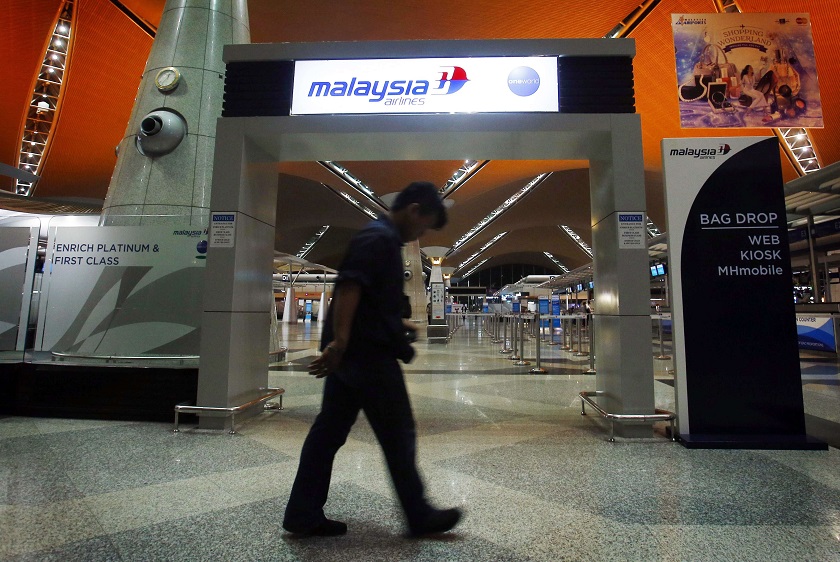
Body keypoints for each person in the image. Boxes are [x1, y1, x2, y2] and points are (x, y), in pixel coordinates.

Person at [283, 181, 462, 538]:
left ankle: (302, 512)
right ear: (414, 211)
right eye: (424, 225)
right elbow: (350, 287)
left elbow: (367, 299)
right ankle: (418, 515)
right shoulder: (377, 239)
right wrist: (340, 343)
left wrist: (397, 323)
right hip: (367, 357)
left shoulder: (381, 239)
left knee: (328, 433)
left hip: (354, 356)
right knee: (399, 434)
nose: (422, 233)